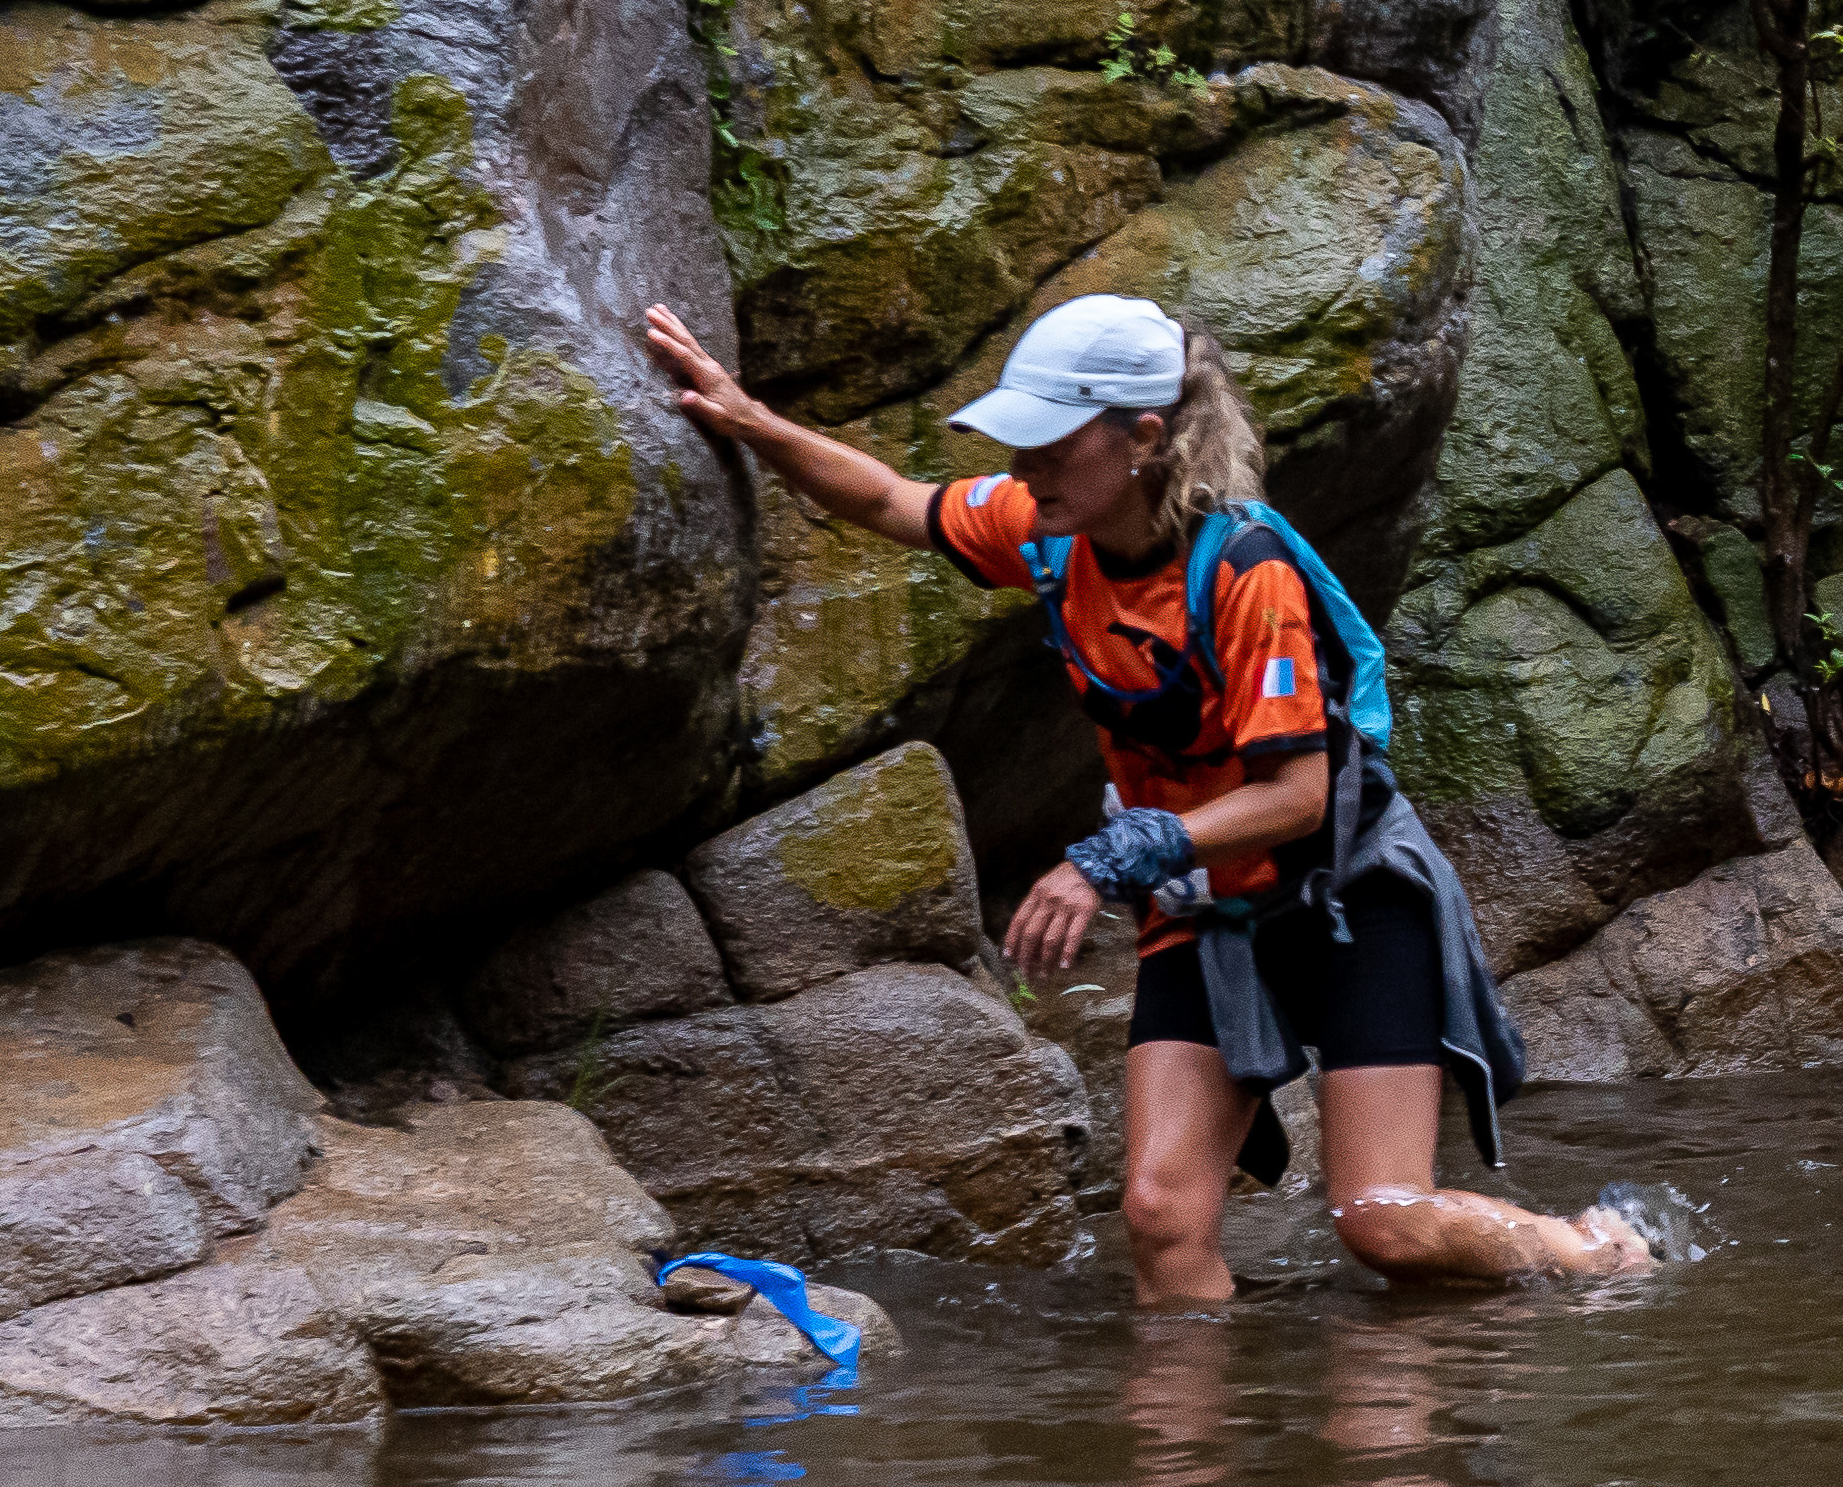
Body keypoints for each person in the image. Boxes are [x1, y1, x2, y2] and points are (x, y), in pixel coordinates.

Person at [634, 291, 1655, 1310]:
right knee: (1164, 1220)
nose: (1023, 471)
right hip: (1204, 912)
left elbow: (1298, 796)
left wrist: (1112, 857)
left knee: (1381, 1221)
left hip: (1345, 899)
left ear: (1144, 438)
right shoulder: (1043, 533)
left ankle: (1590, 1253)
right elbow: (890, 502)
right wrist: (749, 418)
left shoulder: (1245, 573)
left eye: (1047, 445)